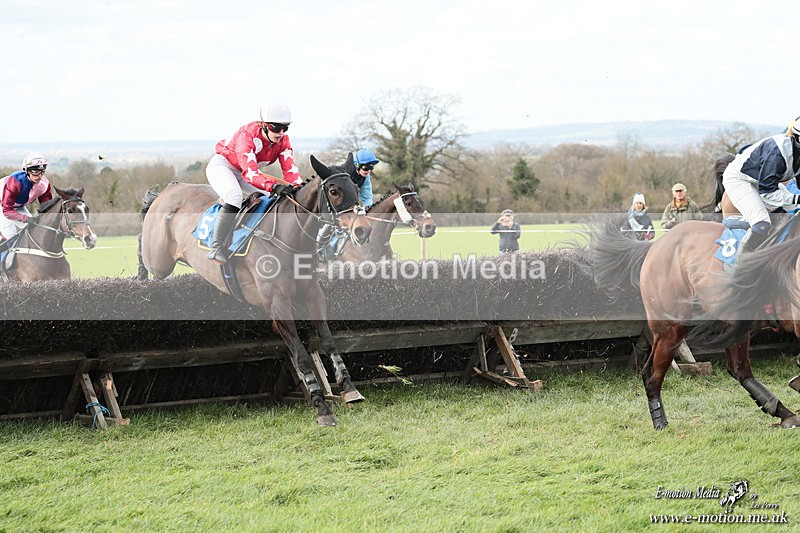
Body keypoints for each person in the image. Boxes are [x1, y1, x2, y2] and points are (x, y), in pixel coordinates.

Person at [205, 102, 304, 264]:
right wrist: (274, 186)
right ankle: (216, 247)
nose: (280, 133)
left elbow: (290, 169)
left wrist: (299, 187)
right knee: (234, 197)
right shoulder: (248, 136)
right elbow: (250, 173)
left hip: (247, 173)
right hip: (223, 167)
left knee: (274, 199)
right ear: (263, 125)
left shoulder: (283, 141)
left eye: (285, 128)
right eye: (275, 128)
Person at [722, 117, 800, 253]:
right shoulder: (778, 153)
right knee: (762, 223)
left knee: (790, 210)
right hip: (739, 179)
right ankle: (743, 264)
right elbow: (767, 193)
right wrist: (796, 199)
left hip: (762, 179)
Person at [0, 152, 53, 245]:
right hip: (3, 207)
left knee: (33, 230)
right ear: (26, 170)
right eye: (36, 172)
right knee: (11, 236)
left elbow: (48, 208)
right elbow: (7, 211)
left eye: (42, 172)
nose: (40, 176)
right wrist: (26, 218)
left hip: (18, 206)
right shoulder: (15, 182)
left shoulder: (44, 184)